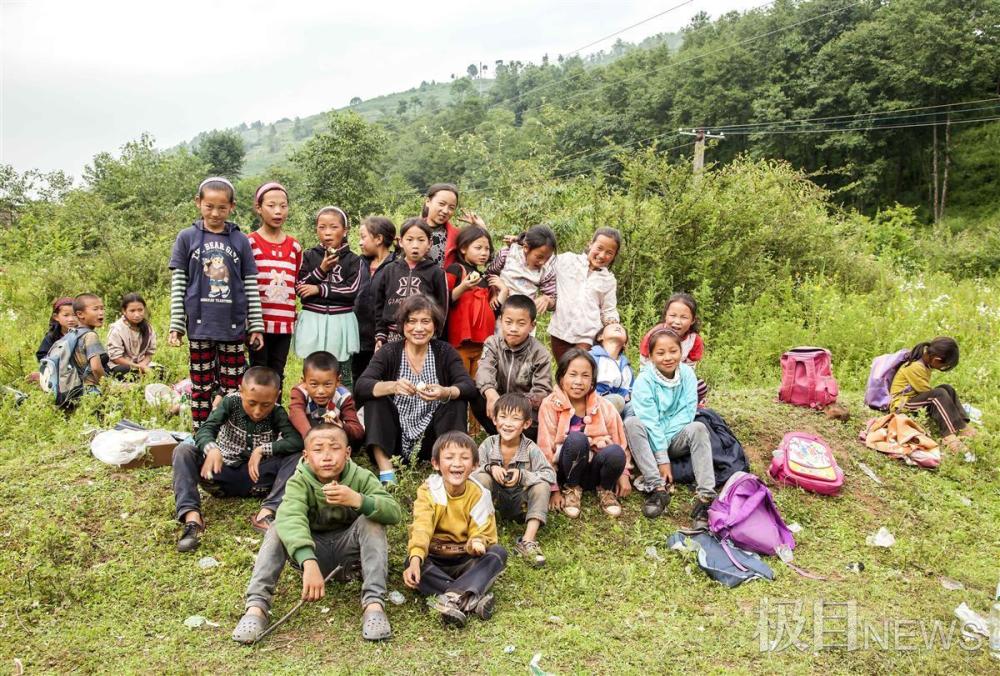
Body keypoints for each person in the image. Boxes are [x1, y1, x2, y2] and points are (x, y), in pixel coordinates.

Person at [232, 424, 401, 643]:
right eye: (318, 449)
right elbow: (291, 517)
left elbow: (394, 512)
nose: (327, 456)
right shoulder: (299, 480)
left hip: (350, 557)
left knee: (372, 521)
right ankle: (256, 608)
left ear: (348, 453)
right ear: (306, 455)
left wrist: (359, 500)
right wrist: (308, 562)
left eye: (334, 448)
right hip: (312, 555)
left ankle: (374, 604)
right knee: (278, 525)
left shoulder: (361, 477)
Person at [172, 366, 303, 551]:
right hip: (220, 474)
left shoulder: (278, 412)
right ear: (241, 392)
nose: (258, 411)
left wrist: (263, 449)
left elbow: (296, 441)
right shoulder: (230, 403)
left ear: (277, 396)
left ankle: (266, 513)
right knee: (183, 451)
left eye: (266, 405)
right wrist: (212, 449)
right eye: (252, 403)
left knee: (297, 457)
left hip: (257, 480)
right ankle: (192, 519)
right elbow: (205, 430)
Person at [168, 177, 264, 429]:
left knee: (233, 384)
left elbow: (251, 286)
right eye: (209, 206)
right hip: (200, 327)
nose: (215, 213)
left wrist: (255, 324)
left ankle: (232, 431)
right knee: (201, 384)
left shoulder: (240, 240)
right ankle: (203, 433)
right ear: (198, 203)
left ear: (232, 207)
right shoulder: (186, 237)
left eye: (222, 207)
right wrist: (176, 324)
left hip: (232, 327)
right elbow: (179, 285)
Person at [355, 295, 477, 485]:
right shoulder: (390, 352)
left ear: (435, 325)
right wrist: (392, 386)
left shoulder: (444, 352)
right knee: (375, 396)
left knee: (456, 399)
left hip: (432, 438)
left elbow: (468, 386)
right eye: (411, 321)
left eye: (425, 321)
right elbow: (361, 386)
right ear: (402, 325)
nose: (418, 328)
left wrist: (444, 391)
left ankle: (448, 463)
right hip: (394, 437)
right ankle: (387, 470)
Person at [402, 431, 507, 628]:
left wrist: (477, 542)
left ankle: (450, 598)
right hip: (435, 557)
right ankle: (470, 600)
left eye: (465, 458)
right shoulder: (429, 491)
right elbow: (422, 528)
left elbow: (484, 533)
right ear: (436, 464)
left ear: (474, 465)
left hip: (465, 560)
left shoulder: (479, 494)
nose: (457, 463)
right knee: (412, 562)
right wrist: (416, 559)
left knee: (497, 554)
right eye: (449, 458)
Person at [627, 328, 711, 525]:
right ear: (650, 356)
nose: (668, 357)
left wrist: (664, 446)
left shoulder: (688, 375)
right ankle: (657, 488)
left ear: (681, 352)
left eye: (673, 351)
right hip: (649, 444)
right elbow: (649, 421)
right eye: (660, 353)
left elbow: (687, 413)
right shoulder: (644, 380)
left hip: (674, 438)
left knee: (698, 427)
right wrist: (661, 458)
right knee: (632, 423)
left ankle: (705, 498)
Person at [537, 348, 630, 519]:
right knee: (577, 439)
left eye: (585, 376)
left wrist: (623, 474)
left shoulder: (603, 405)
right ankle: (571, 489)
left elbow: (620, 441)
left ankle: (605, 489)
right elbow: (545, 450)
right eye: (572, 374)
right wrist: (553, 489)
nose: (579, 381)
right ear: (561, 376)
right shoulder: (550, 405)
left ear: (593, 380)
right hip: (566, 470)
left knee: (615, 451)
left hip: (594, 470)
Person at [473, 393, 555, 567]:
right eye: (503, 417)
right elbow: (471, 472)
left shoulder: (531, 448)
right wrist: (490, 468)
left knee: (542, 486)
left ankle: (527, 541)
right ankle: (479, 533)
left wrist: (523, 476)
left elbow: (550, 475)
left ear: (526, 423)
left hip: (521, 504)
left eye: (515, 418)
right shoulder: (488, 444)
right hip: (493, 505)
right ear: (494, 420)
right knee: (480, 478)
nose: (508, 423)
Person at [294, 206, 363, 387]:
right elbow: (300, 287)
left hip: (341, 321)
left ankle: (345, 414)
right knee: (312, 371)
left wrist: (319, 289)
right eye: (322, 227)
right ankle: (309, 413)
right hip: (312, 319)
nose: (327, 233)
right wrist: (322, 269)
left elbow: (351, 290)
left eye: (334, 227)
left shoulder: (353, 260)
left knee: (343, 374)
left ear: (345, 230)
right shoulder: (309, 256)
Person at [472, 294, 553, 440]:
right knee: (475, 391)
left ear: (532, 326)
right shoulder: (493, 343)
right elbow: (484, 370)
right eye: (508, 322)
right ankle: (497, 437)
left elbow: (542, 391)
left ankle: (523, 442)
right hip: (496, 404)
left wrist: (512, 406)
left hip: (524, 413)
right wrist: (491, 394)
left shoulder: (540, 353)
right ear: (500, 320)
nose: (513, 329)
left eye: (521, 324)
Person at [247, 182, 302, 392]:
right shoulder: (249, 243)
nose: (278, 211)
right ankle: (256, 418)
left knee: (278, 372)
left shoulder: (294, 246)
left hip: (284, 324)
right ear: (258, 208)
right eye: (271, 205)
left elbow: (296, 281)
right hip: (259, 324)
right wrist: (251, 323)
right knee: (258, 372)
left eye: (283, 205)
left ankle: (275, 418)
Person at [547, 227, 621, 363]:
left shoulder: (609, 281)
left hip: (587, 335)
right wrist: (521, 241)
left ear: (614, 256)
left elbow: (609, 309)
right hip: (560, 330)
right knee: (564, 373)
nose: (602, 255)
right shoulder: (568, 261)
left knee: (579, 368)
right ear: (590, 244)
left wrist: (613, 325)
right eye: (599, 248)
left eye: (609, 252)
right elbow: (545, 257)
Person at [372, 218, 448, 348]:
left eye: (421, 240)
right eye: (410, 239)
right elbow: (379, 304)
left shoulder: (436, 273)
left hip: (422, 335)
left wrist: (436, 334)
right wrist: (380, 334)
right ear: (401, 242)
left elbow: (442, 307)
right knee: (393, 368)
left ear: (429, 243)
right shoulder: (389, 269)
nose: (415, 245)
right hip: (392, 335)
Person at [890, 337, 974, 452]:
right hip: (901, 405)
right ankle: (949, 437)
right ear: (936, 359)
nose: (943, 368)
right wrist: (945, 402)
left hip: (914, 399)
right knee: (939, 394)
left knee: (947, 389)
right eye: (944, 366)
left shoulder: (924, 362)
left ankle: (962, 426)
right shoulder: (915, 367)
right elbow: (927, 393)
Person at [445, 225, 499, 377]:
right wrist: (463, 287)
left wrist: (502, 292)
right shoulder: (456, 269)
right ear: (463, 248)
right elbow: (444, 299)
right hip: (460, 343)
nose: (484, 253)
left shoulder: (484, 278)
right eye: (478, 248)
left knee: (479, 387)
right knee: (461, 384)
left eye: (487, 249)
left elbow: (492, 310)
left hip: (482, 343)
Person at [638, 292, 708, 402]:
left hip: (679, 378)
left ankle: (687, 403)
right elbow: (644, 364)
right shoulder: (654, 335)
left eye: (684, 317)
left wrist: (677, 381)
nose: (677, 321)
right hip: (654, 378)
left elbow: (690, 368)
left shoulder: (694, 340)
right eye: (673, 316)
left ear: (693, 320)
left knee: (699, 386)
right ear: (666, 315)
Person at [288, 351, 364, 446]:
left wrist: (342, 426)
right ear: (304, 382)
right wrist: (310, 436)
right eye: (314, 384)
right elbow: (295, 412)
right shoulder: (300, 391)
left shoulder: (343, 396)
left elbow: (358, 431)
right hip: (306, 435)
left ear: (338, 381)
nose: (321, 391)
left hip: (332, 437)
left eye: (327, 384)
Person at [353, 216, 397, 379]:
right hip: (358, 337)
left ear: (378, 239)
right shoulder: (358, 264)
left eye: (363, 237)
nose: (359, 242)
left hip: (384, 338)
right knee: (359, 377)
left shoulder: (396, 266)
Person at [486, 224, 557, 317]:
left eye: (547, 258)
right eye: (539, 257)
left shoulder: (546, 270)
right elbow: (489, 274)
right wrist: (494, 293)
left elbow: (554, 301)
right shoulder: (508, 255)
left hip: (523, 319)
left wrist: (547, 300)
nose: (542, 262)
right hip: (498, 313)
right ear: (526, 248)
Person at [105, 293, 159, 378]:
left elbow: (149, 354)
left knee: (160, 371)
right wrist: (138, 367)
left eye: (140, 310)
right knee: (123, 371)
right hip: (122, 366)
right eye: (132, 311)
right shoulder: (117, 329)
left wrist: (143, 365)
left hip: (141, 364)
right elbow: (116, 358)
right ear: (124, 311)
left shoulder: (148, 328)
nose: (137, 314)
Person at [590, 322, 634, 417]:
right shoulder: (591, 357)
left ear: (625, 344)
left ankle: (626, 428)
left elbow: (631, 391)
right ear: (600, 337)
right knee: (617, 400)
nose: (618, 327)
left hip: (621, 407)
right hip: (594, 406)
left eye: (621, 328)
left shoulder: (627, 368)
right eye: (612, 327)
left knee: (635, 406)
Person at [68, 293, 107, 401]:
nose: (101, 312)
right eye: (95, 309)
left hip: (75, 389)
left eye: (102, 308)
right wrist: (108, 386)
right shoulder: (90, 336)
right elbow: (96, 368)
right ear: (80, 314)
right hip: (90, 389)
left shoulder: (73, 333)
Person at [35, 297, 77, 363]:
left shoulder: (84, 334)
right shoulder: (52, 336)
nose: (71, 319)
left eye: (74, 315)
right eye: (66, 315)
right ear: (56, 317)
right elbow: (42, 356)